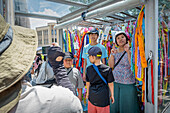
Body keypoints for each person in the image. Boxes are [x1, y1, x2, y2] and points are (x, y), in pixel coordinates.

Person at [0, 14, 82, 113]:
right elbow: (73, 102)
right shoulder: (51, 101)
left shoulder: (75, 71)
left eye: (70, 60)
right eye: (67, 60)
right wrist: (58, 66)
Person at [108, 31, 140, 113]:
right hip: (115, 81)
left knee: (128, 104)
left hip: (128, 81)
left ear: (126, 39)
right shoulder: (114, 51)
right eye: (118, 38)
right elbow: (111, 65)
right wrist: (112, 54)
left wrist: (128, 52)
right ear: (116, 41)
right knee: (115, 103)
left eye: (122, 37)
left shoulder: (132, 50)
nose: (120, 39)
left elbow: (132, 65)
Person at [86, 46, 114, 113]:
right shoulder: (108, 69)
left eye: (89, 56)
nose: (89, 58)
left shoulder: (88, 69)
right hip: (103, 98)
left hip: (92, 97)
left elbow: (88, 83)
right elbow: (110, 84)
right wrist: (112, 95)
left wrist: (88, 93)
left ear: (93, 57)